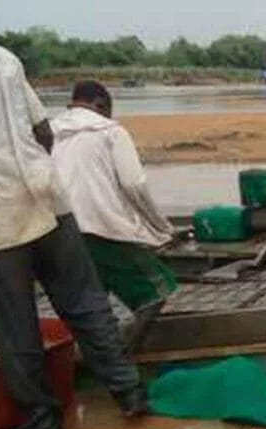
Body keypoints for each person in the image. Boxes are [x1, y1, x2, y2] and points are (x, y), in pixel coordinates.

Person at [0, 43, 149, 429]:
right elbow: (43, 131)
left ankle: (43, 420)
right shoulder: (2, 58)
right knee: (85, 300)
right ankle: (129, 391)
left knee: (13, 322)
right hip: (49, 197)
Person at [50, 81, 177, 352]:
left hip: (59, 231)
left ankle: (90, 357)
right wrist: (160, 227)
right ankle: (125, 357)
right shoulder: (111, 131)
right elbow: (134, 185)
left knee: (92, 301)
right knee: (157, 290)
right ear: (100, 105)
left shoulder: (49, 132)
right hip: (102, 229)